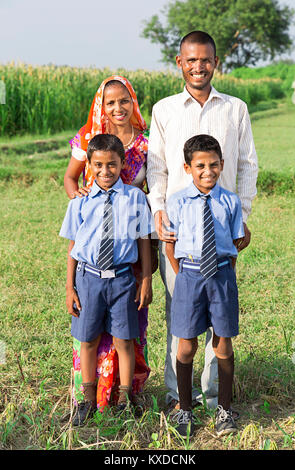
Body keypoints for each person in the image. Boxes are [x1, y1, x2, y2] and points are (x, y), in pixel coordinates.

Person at [146, 31, 258, 412]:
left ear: (216, 62)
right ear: (179, 63)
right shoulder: (164, 110)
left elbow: (246, 165)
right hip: (180, 233)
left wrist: (241, 216)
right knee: (179, 314)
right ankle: (180, 397)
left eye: (205, 60)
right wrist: (159, 212)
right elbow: (157, 168)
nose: (198, 67)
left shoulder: (235, 108)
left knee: (219, 317)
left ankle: (215, 397)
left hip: (222, 232)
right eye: (191, 60)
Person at [64, 76, 151, 411]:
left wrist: (146, 272)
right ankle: (91, 397)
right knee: (89, 333)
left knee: (128, 330)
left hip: (129, 247)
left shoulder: (145, 144)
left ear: (133, 102)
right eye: (111, 102)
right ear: (101, 103)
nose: (118, 108)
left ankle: (127, 393)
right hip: (91, 247)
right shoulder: (88, 139)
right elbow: (71, 179)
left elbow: (151, 194)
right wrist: (81, 200)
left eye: (124, 100)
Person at [166, 134, 244, 437]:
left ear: (222, 165)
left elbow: (236, 241)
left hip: (222, 275)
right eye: (200, 165)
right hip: (190, 275)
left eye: (213, 164)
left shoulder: (230, 201)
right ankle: (184, 408)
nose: (207, 171)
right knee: (186, 344)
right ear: (188, 168)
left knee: (223, 341)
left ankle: (224, 409)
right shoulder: (177, 202)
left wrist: (224, 273)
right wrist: (184, 275)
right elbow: (170, 244)